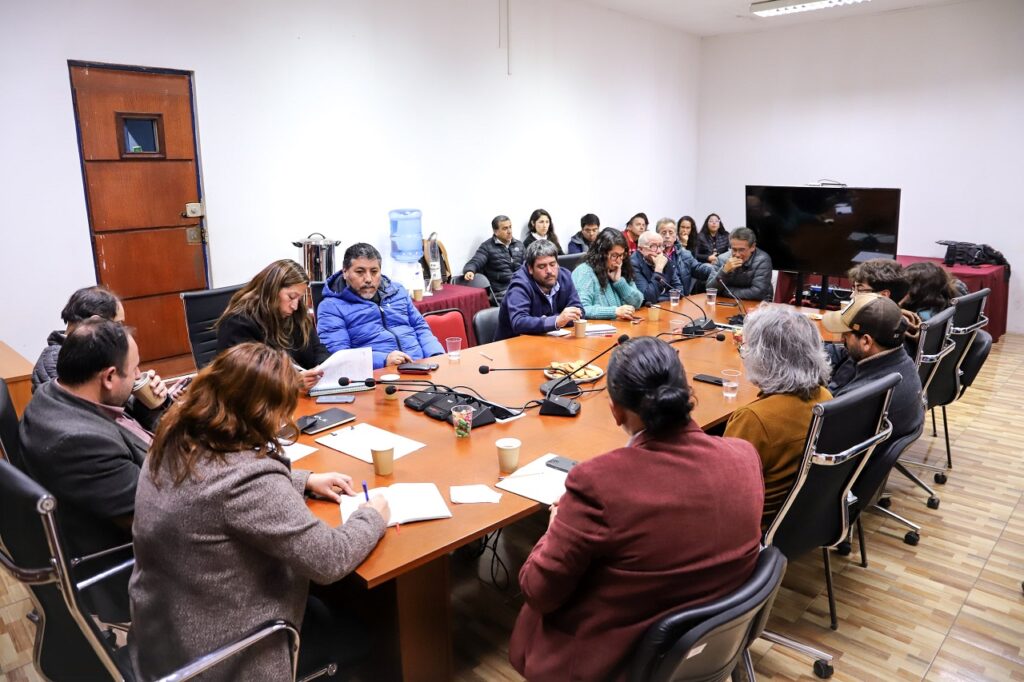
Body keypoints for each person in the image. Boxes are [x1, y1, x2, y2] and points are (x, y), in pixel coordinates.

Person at [129, 342, 390, 681]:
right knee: (362, 632)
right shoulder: (245, 479)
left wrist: (304, 480)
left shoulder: (176, 436)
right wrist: (373, 514)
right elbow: (329, 560)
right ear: (262, 413)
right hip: (226, 655)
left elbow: (212, 492)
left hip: (164, 633)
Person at [509, 337, 764, 682]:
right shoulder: (744, 457)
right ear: (686, 392)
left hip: (618, 662)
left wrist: (554, 526)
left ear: (615, 411)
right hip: (704, 650)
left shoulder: (597, 483)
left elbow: (538, 591)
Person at [19, 319, 171, 619]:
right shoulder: (79, 441)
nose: (141, 375)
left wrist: (151, 406)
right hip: (134, 570)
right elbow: (156, 519)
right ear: (110, 377)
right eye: (136, 368)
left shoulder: (57, 392)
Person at [724, 306, 832, 530]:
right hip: (801, 519)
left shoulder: (754, 419)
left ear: (763, 357)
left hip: (752, 528)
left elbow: (722, 491)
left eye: (748, 346)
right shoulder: (825, 396)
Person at [318, 243, 444, 369]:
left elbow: (420, 327)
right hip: (380, 374)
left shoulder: (397, 291)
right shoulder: (331, 307)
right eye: (360, 272)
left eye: (374, 272)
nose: (368, 279)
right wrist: (383, 360)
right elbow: (339, 356)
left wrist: (436, 354)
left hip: (421, 367)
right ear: (345, 272)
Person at [823, 294, 924, 442]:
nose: (841, 339)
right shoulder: (906, 364)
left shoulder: (858, 398)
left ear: (866, 341)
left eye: (846, 334)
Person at [216, 259, 329, 391]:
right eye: (291, 297)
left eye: (299, 298)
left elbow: (317, 349)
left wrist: (323, 367)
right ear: (272, 291)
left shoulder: (298, 314)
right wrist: (291, 380)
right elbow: (248, 375)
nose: (295, 305)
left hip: (301, 395)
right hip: (259, 399)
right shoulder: (239, 321)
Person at [32, 285, 125, 391]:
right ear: (95, 322)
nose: (121, 331)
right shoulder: (57, 360)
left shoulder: (92, 349)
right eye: (118, 324)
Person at [495, 240, 582, 341]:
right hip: (515, 347)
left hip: (550, 342)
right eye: (542, 266)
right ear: (530, 269)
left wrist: (556, 321)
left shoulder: (565, 276)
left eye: (552, 264)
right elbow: (519, 322)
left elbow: (579, 311)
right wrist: (556, 321)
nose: (549, 271)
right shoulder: (520, 285)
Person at [570, 228, 643, 320]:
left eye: (622, 255)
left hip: (620, 328)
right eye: (614, 255)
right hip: (596, 331)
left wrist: (620, 282)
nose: (619, 261)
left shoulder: (621, 268)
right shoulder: (585, 271)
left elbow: (637, 303)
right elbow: (581, 309)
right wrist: (615, 311)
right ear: (601, 254)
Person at [462, 215, 526, 302]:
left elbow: (529, 265)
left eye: (510, 227)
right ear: (495, 231)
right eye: (505, 228)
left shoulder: (519, 245)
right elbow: (475, 262)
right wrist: (469, 271)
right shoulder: (487, 247)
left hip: (521, 286)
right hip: (501, 291)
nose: (509, 231)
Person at [705, 227, 774, 301]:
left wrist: (726, 292)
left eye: (741, 250)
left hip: (757, 304)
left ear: (753, 247)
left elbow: (758, 293)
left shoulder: (762, 259)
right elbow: (710, 290)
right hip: (729, 302)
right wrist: (724, 272)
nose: (737, 254)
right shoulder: (722, 259)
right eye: (734, 249)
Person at [656, 217, 715, 294]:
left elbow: (697, 268)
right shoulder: (653, 254)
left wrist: (718, 269)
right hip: (660, 300)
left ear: (675, 236)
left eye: (670, 232)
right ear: (657, 235)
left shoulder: (685, 254)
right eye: (663, 233)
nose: (667, 236)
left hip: (682, 298)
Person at [630, 231, 684, 305]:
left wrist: (659, 298)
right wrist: (658, 269)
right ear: (640, 249)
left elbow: (679, 291)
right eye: (653, 246)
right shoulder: (633, 264)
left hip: (665, 308)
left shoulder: (665, 259)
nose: (659, 251)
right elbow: (648, 299)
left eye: (661, 246)